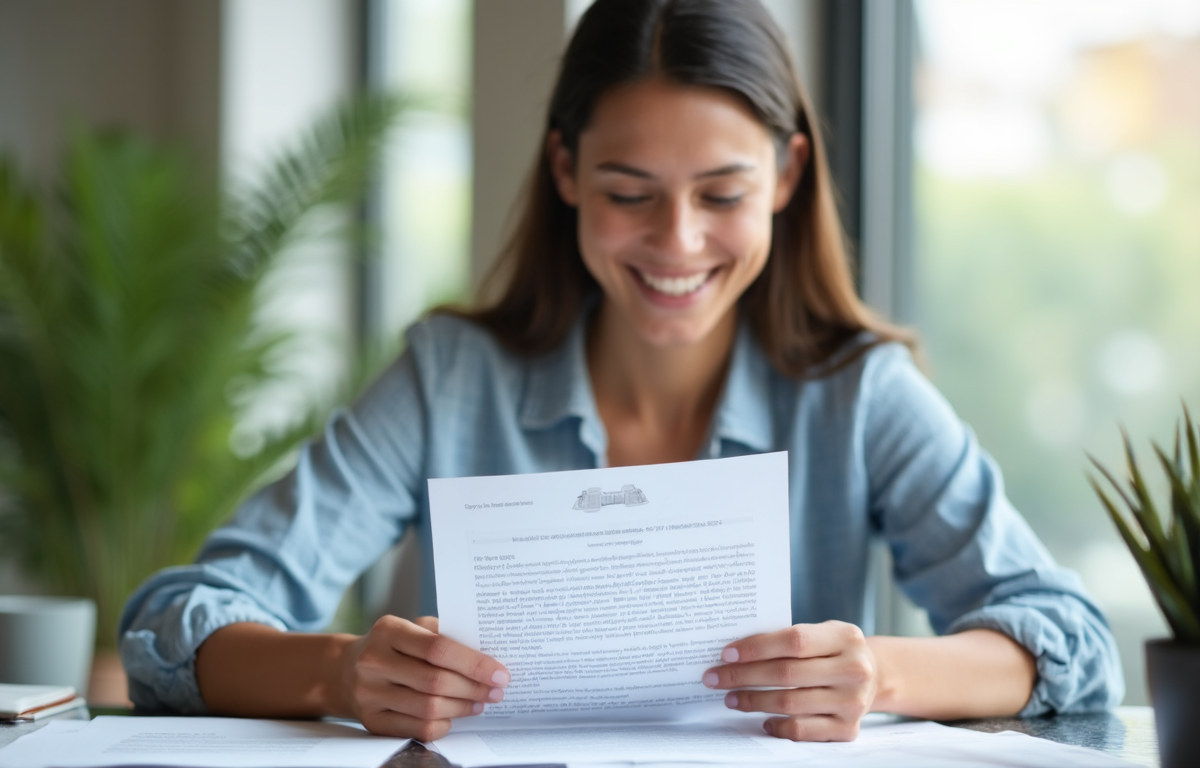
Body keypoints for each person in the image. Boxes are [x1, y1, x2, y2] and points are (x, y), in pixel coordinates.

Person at [119, 0, 1123, 743]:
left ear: (786, 176)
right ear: (566, 171)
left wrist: (879, 673)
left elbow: (1067, 638)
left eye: (721, 194)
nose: (677, 242)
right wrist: (342, 675)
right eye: (629, 193)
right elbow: (174, 624)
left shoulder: (859, 395)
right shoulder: (449, 379)